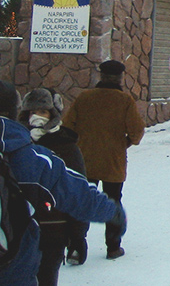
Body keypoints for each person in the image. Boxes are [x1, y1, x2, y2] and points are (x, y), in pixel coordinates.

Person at [1, 81, 123, 286]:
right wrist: (113, 213)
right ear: (16, 113)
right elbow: (78, 194)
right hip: (15, 266)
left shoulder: (55, 147)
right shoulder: (33, 158)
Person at [62, 59, 144, 261]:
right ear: (120, 78)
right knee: (113, 202)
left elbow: (67, 127)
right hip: (113, 162)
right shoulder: (124, 101)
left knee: (82, 201)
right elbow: (137, 132)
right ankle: (113, 247)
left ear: (101, 76)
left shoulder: (84, 98)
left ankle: (75, 247)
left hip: (84, 160)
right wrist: (124, 143)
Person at [16, 88, 88, 286]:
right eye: (31, 112)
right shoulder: (16, 144)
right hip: (18, 231)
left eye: (42, 111)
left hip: (53, 231)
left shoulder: (66, 147)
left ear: (52, 115)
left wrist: (78, 235)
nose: (36, 117)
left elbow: (78, 194)